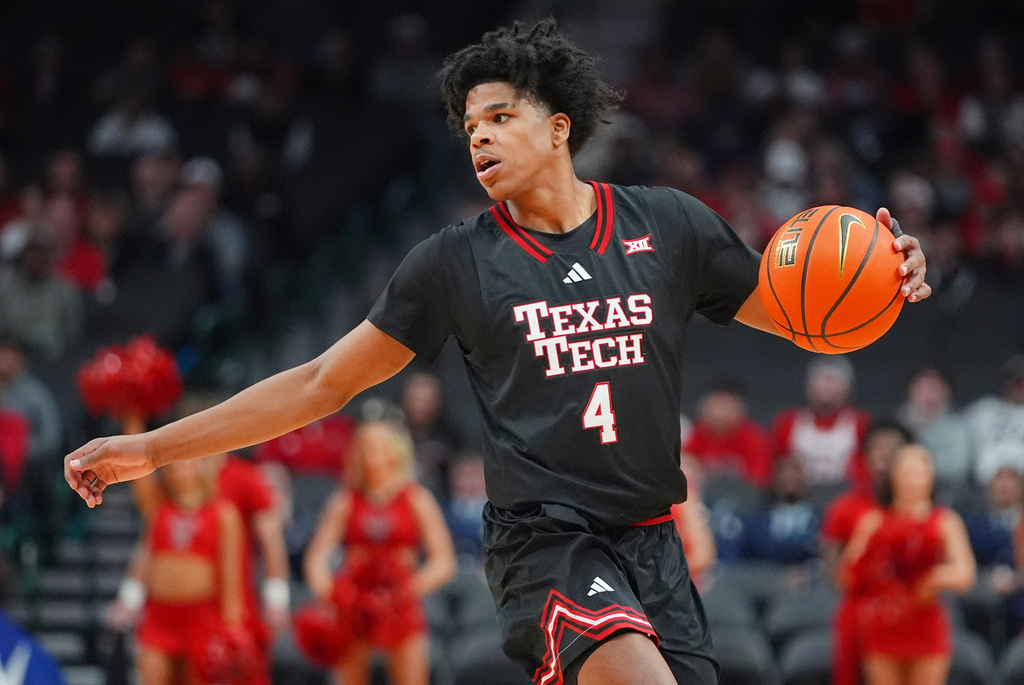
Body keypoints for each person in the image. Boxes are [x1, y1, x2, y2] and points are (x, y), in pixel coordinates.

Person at [64, 19, 931, 685]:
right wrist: (149, 445)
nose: (478, 137)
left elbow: (800, 316)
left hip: (654, 542)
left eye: (500, 117)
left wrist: (888, 277)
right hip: (544, 544)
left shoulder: (669, 225)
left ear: (559, 128)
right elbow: (321, 383)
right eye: (469, 124)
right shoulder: (452, 263)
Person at [303, 419, 456, 685]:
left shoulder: (416, 498)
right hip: (355, 604)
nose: (370, 450)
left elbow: (444, 561)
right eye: (364, 444)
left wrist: (408, 588)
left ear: (395, 451)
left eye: (378, 444)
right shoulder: (344, 500)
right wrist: (333, 594)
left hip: (400, 603)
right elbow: (316, 558)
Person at [841, 444, 975, 685]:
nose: (912, 478)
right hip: (883, 620)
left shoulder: (945, 521)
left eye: (918, 470)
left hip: (925, 620)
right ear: (893, 476)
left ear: (930, 477)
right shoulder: (873, 521)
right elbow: (848, 574)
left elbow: (965, 574)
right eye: (906, 470)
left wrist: (935, 578)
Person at [108, 457, 248, 685]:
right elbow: (139, 480)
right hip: (159, 617)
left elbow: (232, 574)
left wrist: (231, 627)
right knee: (150, 676)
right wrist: (132, 423)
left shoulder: (223, 513)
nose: (178, 472)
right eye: (173, 467)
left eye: (185, 465)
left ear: (203, 469)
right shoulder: (159, 507)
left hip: (201, 618)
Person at [821, 418, 913, 685]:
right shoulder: (844, 509)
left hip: (907, 609)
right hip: (859, 607)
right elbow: (834, 572)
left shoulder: (922, 512)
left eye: (893, 451)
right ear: (866, 458)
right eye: (877, 450)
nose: (884, 458)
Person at [770, 356, 873, 490]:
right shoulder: (787, 422)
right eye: (821, 380)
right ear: (809, 386)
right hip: (802, 496)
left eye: (832, 380)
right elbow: (776, 467)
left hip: (845, 493)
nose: (826, 387)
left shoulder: (861, 423)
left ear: (847, 388)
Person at [681, 377, 772, 489]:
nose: (721, 414)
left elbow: (759, 480)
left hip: (742, 499)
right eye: (717, 405)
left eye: (726, 406)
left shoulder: (753, 438)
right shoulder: (693, 434)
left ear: (739, 409)